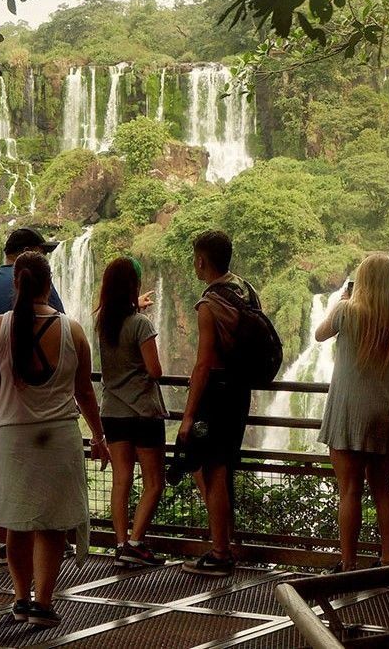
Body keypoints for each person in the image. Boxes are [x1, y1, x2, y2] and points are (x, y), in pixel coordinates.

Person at [0, 252, 109, 628]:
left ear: (16, 283)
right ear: (49, 284)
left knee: (16, 523)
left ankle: (20, 598)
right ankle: (43, 604)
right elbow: (85, 392)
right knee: (52, 525)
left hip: (11, 438)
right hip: (59, 439)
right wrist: (98, 434)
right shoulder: (72, 330)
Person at [0, 227, 64, 563]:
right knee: (34, 480)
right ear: (27, 254)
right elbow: (60, 339)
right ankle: (32, 548)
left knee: (1, 475)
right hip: (35, 406)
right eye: (42, 253)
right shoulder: (44, 293)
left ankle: (7, 542)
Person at [315, 254, 389, 572]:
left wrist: (343, 299)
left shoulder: (346, 310)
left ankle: (349, 562)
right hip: (384, 412)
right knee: (384, 489)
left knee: (350, 490)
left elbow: (319, 334)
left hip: (347, 411)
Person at [178, 230, 259, 577]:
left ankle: (220, 552)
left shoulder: (209, 305)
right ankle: (223, 542)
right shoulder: (246, 290)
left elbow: (203, 363)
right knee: (219, 467)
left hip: (217, 394)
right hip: (240, 392)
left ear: (201, 260)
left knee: (211, 470)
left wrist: (188, 414)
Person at [97, 257, 166, 568]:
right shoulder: (141, 325)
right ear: (133, 286)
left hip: (112, 411)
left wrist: (134, 306)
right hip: (142, 411)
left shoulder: (102, 322)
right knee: (154, 481)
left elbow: (119, 317)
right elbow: (155, 370)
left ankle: (121, 543)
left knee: (121, 480)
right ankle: (137, 544)